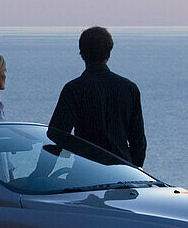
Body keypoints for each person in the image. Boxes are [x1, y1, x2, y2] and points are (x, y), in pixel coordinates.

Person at [49, 26, 146, 166]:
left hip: (87, 172)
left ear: (81, 53)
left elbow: (56, 137)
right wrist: (134, 171)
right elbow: (139, 143)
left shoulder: (74, 89)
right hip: (123, 172)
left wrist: (41, 176)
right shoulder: (130, 89)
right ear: (109, 53)